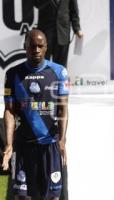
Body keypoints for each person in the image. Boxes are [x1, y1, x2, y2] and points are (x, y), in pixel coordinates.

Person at [1, 29, 69, 200]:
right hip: (23, 146)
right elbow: (9, 110)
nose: (36, 50)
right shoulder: (12, 74)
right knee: (22, 196)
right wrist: (9, 144)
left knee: (53, 197)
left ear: (46, 47)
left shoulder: (59, 72)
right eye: (33, 46)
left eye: (40, 46)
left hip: (50, 146)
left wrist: (62, 140)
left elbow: (63, 109)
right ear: (25, 47)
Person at [33, 0, 83, 67]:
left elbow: (74, 11)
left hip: (63, 33)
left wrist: (77, 29)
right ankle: (43, 77)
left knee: (61, 66)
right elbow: (37, 4)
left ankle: (60, 77)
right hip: (45, 33)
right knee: (42, 64)